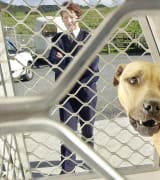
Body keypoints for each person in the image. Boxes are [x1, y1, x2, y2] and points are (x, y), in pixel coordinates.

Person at [47, 1, 99, 174]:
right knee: (67, 130)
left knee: (88, 129)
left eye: (70, 17)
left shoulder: (89, 37)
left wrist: (65, 59)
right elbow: (53, 62)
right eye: (64, 18)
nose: (68, 21)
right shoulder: (57, 39)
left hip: (86, 91)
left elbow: (92, 66)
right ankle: (68, 169)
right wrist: (74, 61)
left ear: (77, 16)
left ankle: (90, 160)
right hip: (66, 93)